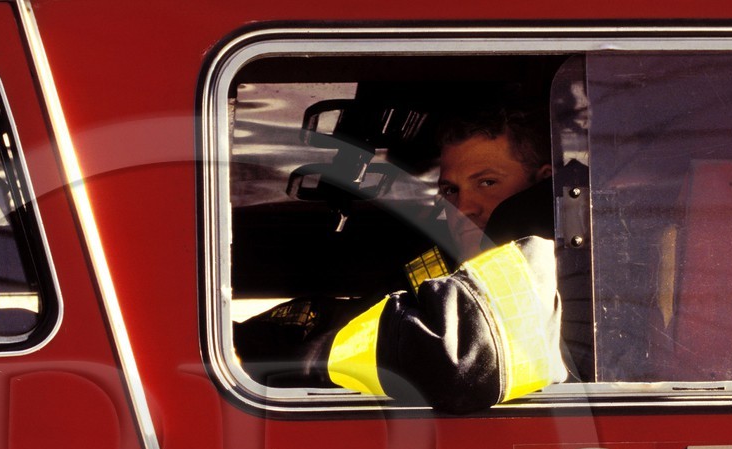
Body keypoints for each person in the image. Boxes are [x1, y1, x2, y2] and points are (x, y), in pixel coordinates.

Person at [236, 98, 565, 414]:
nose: (463, 208)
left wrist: (312, 355)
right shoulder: (447, 269)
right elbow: (363, 314)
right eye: (451, 190)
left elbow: (457, 364)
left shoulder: (555, 267)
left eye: (487, 182)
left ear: (541, 185)